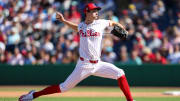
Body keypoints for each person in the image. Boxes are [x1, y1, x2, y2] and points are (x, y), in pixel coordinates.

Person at [19, 3, 134, 101]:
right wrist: (64, 21)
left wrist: (124, 29)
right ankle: (33, 95)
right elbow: (76, 27)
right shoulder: (82, 26)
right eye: (94, 11)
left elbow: (113, 23)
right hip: (84, 65)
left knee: (120, 73)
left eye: (97, 11)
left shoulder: (101, 23)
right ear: (87, 12)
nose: (96, 12)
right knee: (63, 87)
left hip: (98, 64)